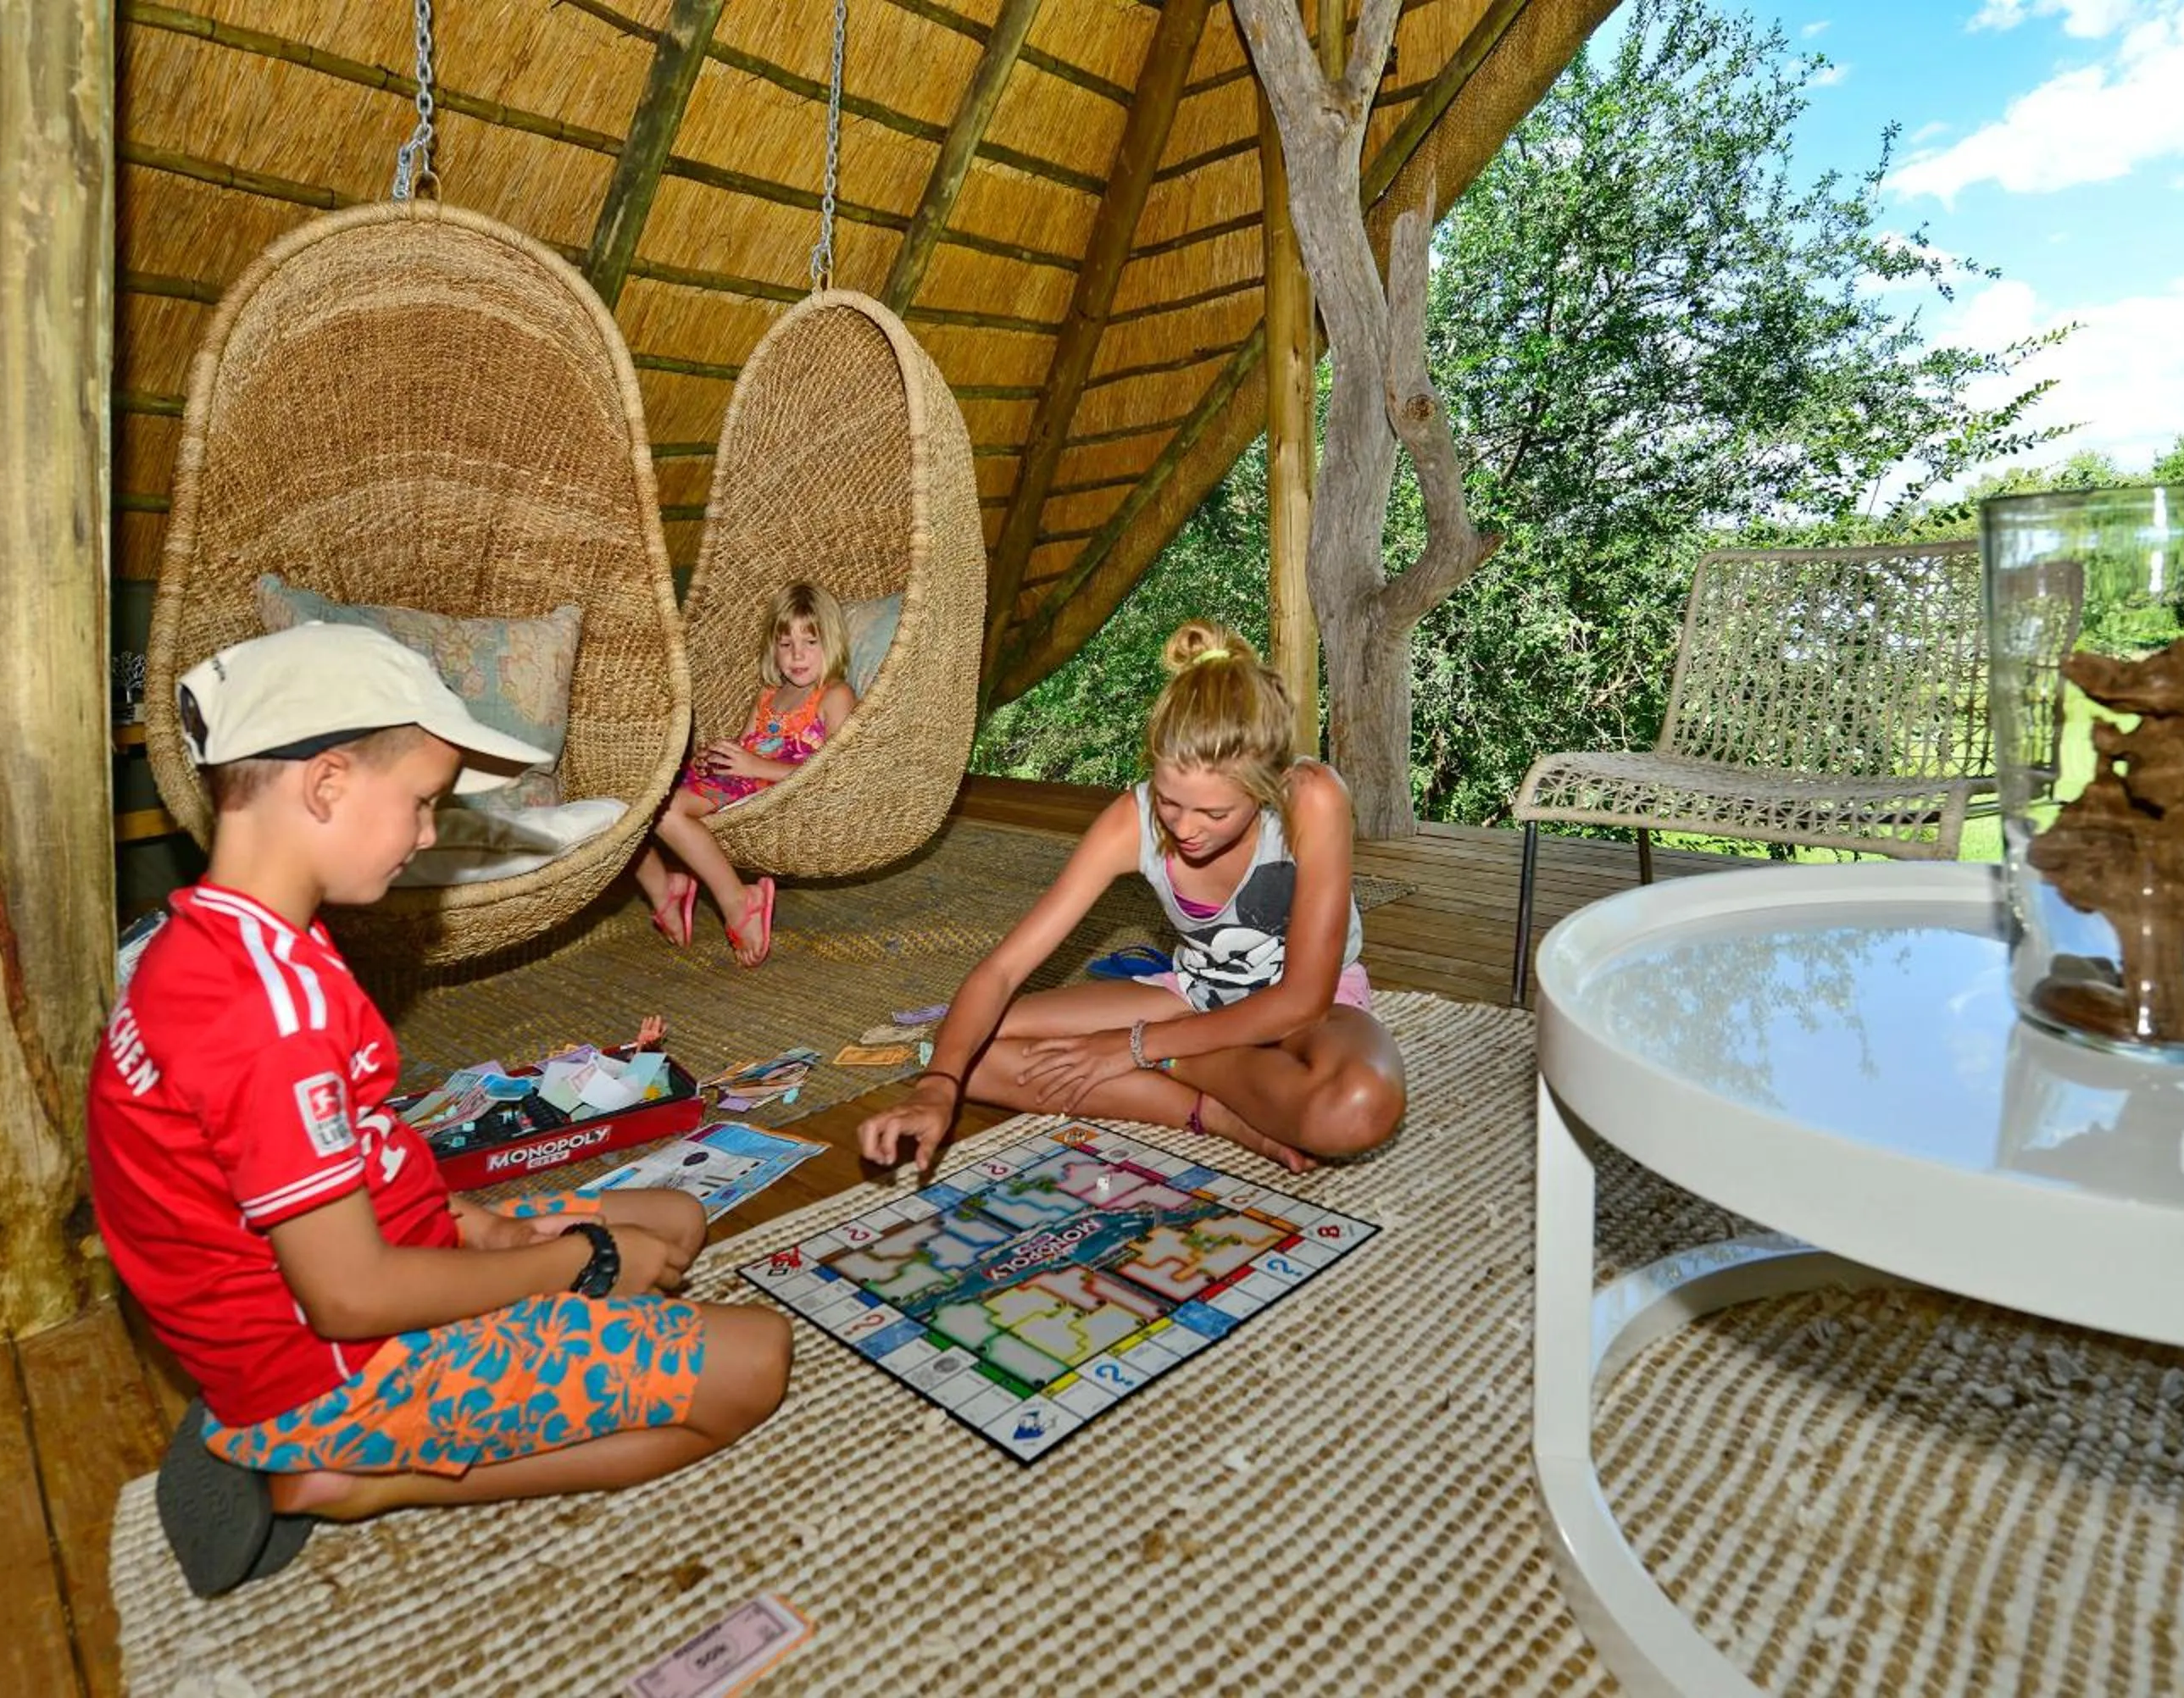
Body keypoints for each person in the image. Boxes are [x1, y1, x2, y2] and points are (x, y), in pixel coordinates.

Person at [89, 623, 792, 1598]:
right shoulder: (269, 1015)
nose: (428, 833)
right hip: (338, 1362)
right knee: (756, 1362)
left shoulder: (204, 943)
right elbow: (353, 1296)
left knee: (674, 1222)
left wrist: (487, 1229)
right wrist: (573, 1260)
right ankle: (351, 1481)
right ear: (327, 784)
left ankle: (358, 1410)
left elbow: (354, 1154)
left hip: (324, 1288)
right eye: (420, 802)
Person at [858, 621, 1406, 1179]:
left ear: (1266, 787)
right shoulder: (1129, 822)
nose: (1187, 828)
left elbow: (1301, 1001)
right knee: (964, 1049)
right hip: (1196, 994)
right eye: (1171, 802)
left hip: (1310, 1008)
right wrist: (937, 1090)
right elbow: (1000, 973)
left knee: (1357, 1109)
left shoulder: (1311, 799)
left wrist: (1139, 1047)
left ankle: (1182, 1062)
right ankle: (1216, 1111)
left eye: (1216, 813)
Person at [636, 582, 858, 967]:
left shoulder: (835, 695)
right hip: (742, 781)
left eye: (810, 642)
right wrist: (715, 760)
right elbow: (747, 747)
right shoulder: (767, 695)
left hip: (777, 787)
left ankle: (739, 901)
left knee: (667, 810)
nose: (797, 655)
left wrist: (754, 766)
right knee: (637, 799)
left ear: (832, 642)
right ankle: (663, 888)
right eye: (785, 643)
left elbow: (838, 773)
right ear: (773, 648)